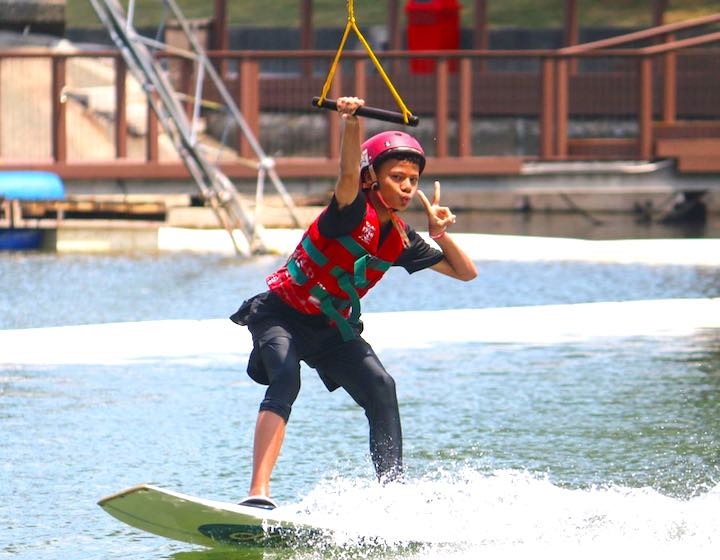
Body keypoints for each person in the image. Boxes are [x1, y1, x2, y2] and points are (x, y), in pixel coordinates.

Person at [230, 96, 477, 509]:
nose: (407, 187)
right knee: (286, 378)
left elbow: (465, 273)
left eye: (412, 180)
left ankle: (392, 498)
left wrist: (440, 234)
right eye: (397, 176)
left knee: (382, 386)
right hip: (282, 315)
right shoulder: (349, 210)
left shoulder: (401, 237)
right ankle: (258, 494)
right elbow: (346, 170)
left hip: (331, 329)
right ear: (371, 179)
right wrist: (351, 121)